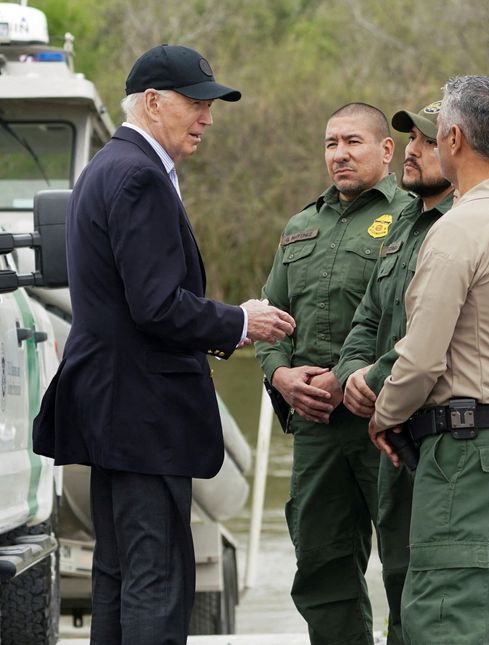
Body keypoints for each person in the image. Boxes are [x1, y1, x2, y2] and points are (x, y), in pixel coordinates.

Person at [31, 44, 295, 644]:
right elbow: (156, 305)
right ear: (153, 103)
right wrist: (238, 321)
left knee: (118, 574)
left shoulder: (106, 166)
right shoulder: (139, 177)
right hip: (143, 413)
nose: (207, 116)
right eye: (197, 103)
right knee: (158, 577)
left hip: (110, 410)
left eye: (211, 105)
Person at [334, 95, 489, 642]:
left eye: (431, 137)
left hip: (465, 450)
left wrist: (384, 413)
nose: (420, 147)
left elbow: (422, 355)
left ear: (455, 139)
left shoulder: (462, 227)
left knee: (443, 617)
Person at [255, 102, 412, 644]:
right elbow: (268, 320)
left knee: (406, 564)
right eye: (330, 144)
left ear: (386, 150)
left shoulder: (415, 216)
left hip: (386, 422)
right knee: (321, 565)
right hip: (315, 429)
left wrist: (355, 379)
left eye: (353, 142)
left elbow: (424, 321)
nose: (339, 155)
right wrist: (280, 377)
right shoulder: (300, 226)